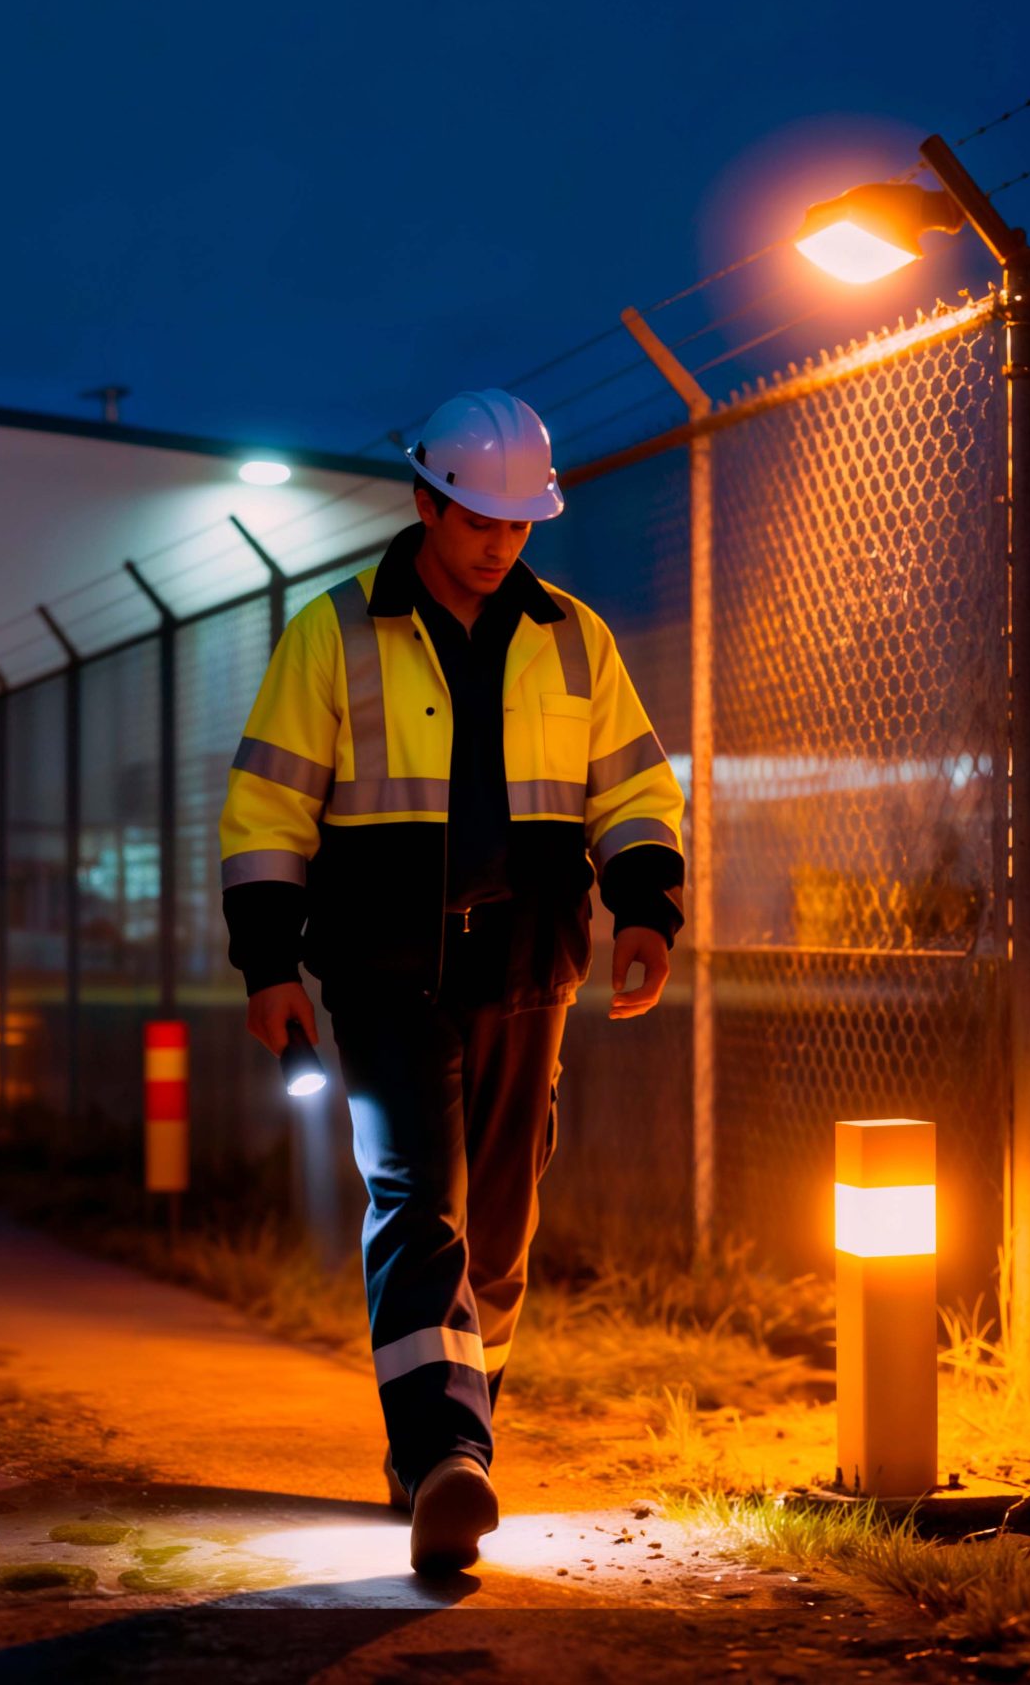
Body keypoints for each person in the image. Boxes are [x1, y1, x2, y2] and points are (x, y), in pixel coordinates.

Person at [219, 388, 685, 1573]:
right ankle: (442, 1455)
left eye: (518, 523)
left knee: (501, 1225)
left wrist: (644, 909)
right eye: (478, 517)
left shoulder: (573, 637)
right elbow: (269, 806)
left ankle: (446, 1438)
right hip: (383, 967)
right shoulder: (332, 634)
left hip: (529, 964)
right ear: (425, 499)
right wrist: (268, 962)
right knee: (417, 1200)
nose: (498, 542)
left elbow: (633, 790)